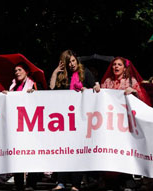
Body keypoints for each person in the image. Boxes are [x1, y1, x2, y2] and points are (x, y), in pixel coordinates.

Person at [93, 57, 151, 190]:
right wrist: (96, 90)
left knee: (125, 151)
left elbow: (143, 100)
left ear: (124, 68)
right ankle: (110, 181)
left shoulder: (131, 82)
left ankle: (127, 181)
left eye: (119, 65)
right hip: (110, 125)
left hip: (126, 125)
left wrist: (135, 92)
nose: (116, 67)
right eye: (114, 65)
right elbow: (100, 98)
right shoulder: (107, 82)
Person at [50, 49, 95, 191]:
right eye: (68, 62)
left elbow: (95, 89)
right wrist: (56, 72)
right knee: (64, 151)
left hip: (81, 118)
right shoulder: (63, 76)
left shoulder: (85, 73)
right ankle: (61, 182)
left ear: (77, 60)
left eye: (73, 61)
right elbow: (50, 90)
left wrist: (87, 90)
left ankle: (76, 184)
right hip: (64, 119)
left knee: (78, 151)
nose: (71, 64)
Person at [4, 62, 43, 191]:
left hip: (31, 125)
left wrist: (35, 93)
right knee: (17, 154)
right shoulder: (13, 87)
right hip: (16, 125)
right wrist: (5, 96)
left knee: (30, 153)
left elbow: (42, 101)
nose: (17, 72)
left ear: (26, 71)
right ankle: (19, 182)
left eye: (20, 70)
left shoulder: (34, 84)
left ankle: (31, 182)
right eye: (15, 71)